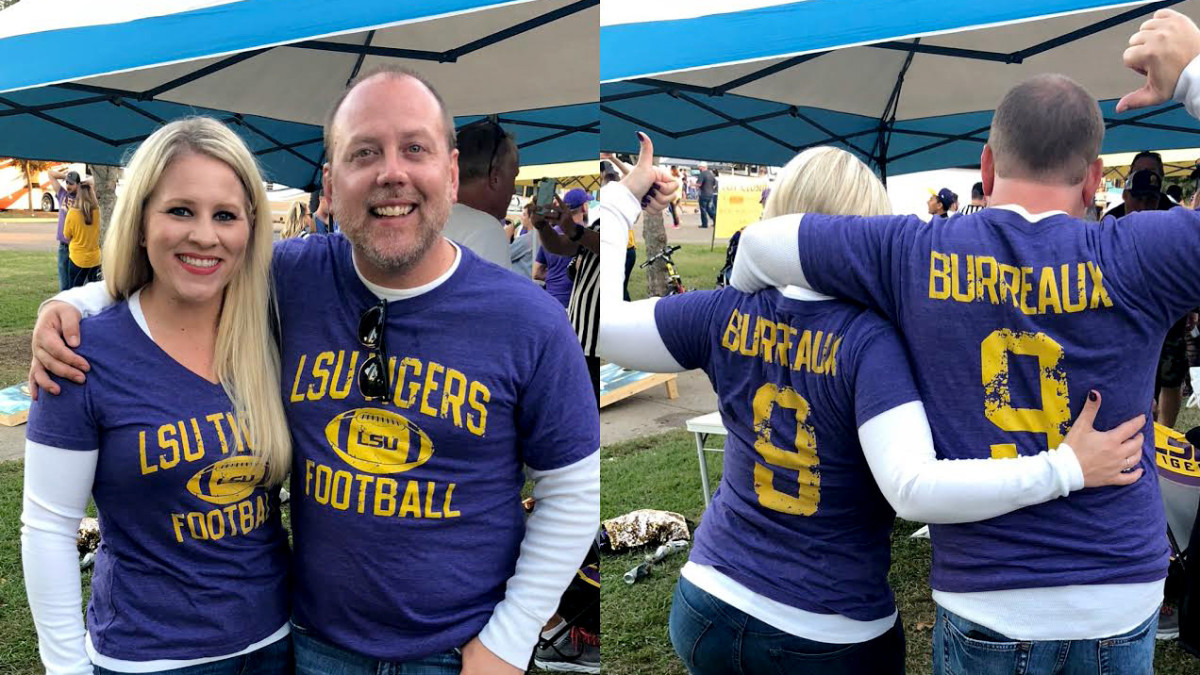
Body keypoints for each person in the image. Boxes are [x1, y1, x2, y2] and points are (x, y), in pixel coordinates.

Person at [32, 65, 599, 675]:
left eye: (415, 148)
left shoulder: (530, 320)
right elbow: (193, 267)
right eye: (364, 153)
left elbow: (571, 492)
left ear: (452, 171)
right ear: (331, 182)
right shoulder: (293, 279)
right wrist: (72, 305)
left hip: (460, 652)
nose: (391, 173)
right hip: (313, 647)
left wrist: (508, 642)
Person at [601, 136, 1146, 675]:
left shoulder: (721, 312)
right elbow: (911, 486)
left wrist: (621, 202)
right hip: (829, 626)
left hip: (710, 599)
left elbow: (600, 325)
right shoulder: (871, 340)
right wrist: (1064, 468)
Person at [728, 73, 1194, 674]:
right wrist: (1190, 74)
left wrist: (757, 337)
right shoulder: (1139, 253)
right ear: (1095, 177)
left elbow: (760, 245)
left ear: (988, 166)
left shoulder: (911, 250)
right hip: (1116, 580)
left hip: (988, 589)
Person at [22, 117, 293, 674]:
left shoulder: (274, 333)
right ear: (142, 222)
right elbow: (48, 528)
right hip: (150, 657)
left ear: (250, 230)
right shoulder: (81, 354)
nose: (204, 235)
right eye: (180, 210)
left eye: (225, 215)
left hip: (277, 642)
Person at [534, 187, 600, 403]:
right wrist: (542, 227)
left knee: (586, 405)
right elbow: (559, 246)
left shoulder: (601, 229)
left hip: (596, 338)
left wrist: (573, 229)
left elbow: (604, 245)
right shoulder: (596, 226)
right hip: (579, 331)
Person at [443, 118, 517, 269]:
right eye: (513, 177)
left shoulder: (426, 220)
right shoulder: (485, 230)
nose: (514, 190)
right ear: (495, 178)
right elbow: (497, 293)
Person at [46, 169, 83, 291]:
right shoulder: (62, 194)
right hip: (64, 247)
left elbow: (93, 182)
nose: (68, 186)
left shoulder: (82, 198)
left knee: (76, 285)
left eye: (71, 183)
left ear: (78, 184)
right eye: (67, 183)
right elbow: (50, 173)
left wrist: (81, 183)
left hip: (77, 247)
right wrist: (65, 176)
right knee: (64, 284)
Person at [62, 183, 102, 288]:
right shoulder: (98, 212)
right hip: (95, 259)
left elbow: (66, 235)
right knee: (95, 291)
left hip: (77, 258)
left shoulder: (72, 213)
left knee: (74, 291)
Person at [697, 162, 717, 229]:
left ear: (702, 167)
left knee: (703, 209)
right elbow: (714, 184)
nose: (698, 168)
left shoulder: (702, 174)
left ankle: (704, 224)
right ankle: (715, 221)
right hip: (710, 194)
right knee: (709, 209)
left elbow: (699, 184)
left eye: (699, 167)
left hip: (703, 193)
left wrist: (692, 184)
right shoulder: (711, 174)